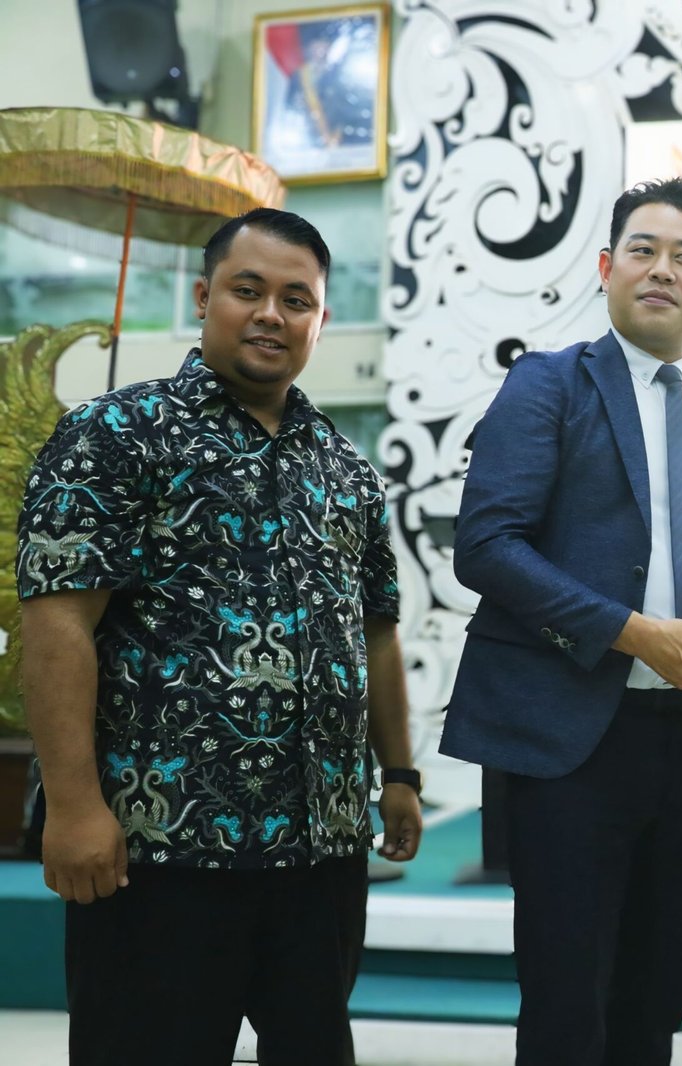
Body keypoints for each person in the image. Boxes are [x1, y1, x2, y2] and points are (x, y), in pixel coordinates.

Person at [16, 207, 423, 1065]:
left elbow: (376, 634)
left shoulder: (344, 470)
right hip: (158, 848)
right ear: (204, 298)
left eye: (296, 300)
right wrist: (76, 805)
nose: (272, 314)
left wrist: (398, 775)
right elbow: (57, 622)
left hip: (320, 852)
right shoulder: (116, 433)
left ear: (320, 319)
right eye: (248, 290)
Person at [441, 178, 682, 1065]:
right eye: (643, 250)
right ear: (609, 267)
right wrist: (632, 631)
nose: (662, 270)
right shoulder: (548, 383)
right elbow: (487, 546)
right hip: (569, 742)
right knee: (568, 1006)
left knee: (657, 998)